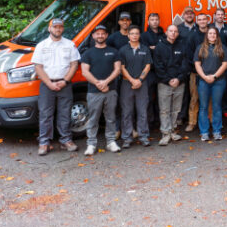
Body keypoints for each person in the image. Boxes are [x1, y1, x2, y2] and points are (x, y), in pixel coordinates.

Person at [31, 18, 80, 156]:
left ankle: (66, 140)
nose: (57, 29)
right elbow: (38, 67)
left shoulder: (70, 45)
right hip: (47, 84)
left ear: (63, 29)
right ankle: (44, 142)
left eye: (60, 27)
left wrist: (65, 80)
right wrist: (49, 83)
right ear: (49, 29)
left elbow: (74, 65)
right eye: (55, 27)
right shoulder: (41, 46)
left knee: (65, 113)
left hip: (65, 84)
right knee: (45, 114)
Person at [81, 25, 122, 155]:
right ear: (93, 36)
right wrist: (98, 83)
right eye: (97, 33)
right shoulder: (88, 53)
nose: (100, 36)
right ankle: (91, 144)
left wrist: (106, 82)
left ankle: (110, 142)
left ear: (106, 35)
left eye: (103, 33)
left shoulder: (114, 51)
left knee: (110, 118)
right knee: (93, 119)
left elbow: (117, 69)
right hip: (94, 91)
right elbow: (85, 71)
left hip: (111, 90)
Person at [154, 25, 189, 146]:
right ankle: (165, 133)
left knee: (176, 109)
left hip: (179, 82)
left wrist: (179, 79)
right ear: (166, 32)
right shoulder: (159, 47)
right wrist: (168, 80)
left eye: (175, 31)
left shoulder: (182, 46)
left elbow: (185, 64)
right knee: (164, 110)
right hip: (164, 83)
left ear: (178, 33)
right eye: (171, 31)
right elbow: (158, 66)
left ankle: (173, 131)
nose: (173, 33)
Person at [193, 27, 227, 141]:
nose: (212, 35)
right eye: (210, 33)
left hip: (218, 81)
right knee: (203, 107)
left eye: (214, 33)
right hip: (203, 81)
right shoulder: (200, 48)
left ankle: (217, 131)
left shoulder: (222, 48)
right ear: (207, 35)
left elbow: (225, 64)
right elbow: (197, 64)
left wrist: (214, 76)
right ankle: (204, 132)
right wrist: (204, 77)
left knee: (217, 106)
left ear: (217, 36)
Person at [119, 25, 153, 148]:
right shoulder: (123, 50)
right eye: (132, 33)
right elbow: (121, 67)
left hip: (142, 84)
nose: (134, 35)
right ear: (128, 35)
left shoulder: (145, 49)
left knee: (142, 111)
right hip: (126, 84)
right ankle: (127, 138)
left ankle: (143, 136)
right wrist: (132, 80)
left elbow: (148, 66)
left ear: (139, 35)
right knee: (127, 112)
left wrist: (139, 80)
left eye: (137, 33)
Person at [183, 12, 210, 133]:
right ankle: (192, 122)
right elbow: (189, 55)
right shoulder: (192, 36)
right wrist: (196, 69)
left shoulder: (213, 34)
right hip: (196, 73)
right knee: (195, 98)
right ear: (197, 21)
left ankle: (210, 121)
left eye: (204, 19)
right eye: (200, 20)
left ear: (207, 21)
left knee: (210, 99)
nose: (203, 21)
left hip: (211, 73)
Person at [141, 13, 164, 129]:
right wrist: (154, 48)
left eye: (156, 19)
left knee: (161, 98)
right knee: (149, 98)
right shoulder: (144, 36)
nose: (154, 21)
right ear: (148, 22)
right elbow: (145, 51)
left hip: (161, 71)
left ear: (159, 21)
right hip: (149, 71)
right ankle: (149, 122)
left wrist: (154, 47)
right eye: (152, 19)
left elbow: (165, 50)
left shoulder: (163, 35)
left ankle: (160, 121)